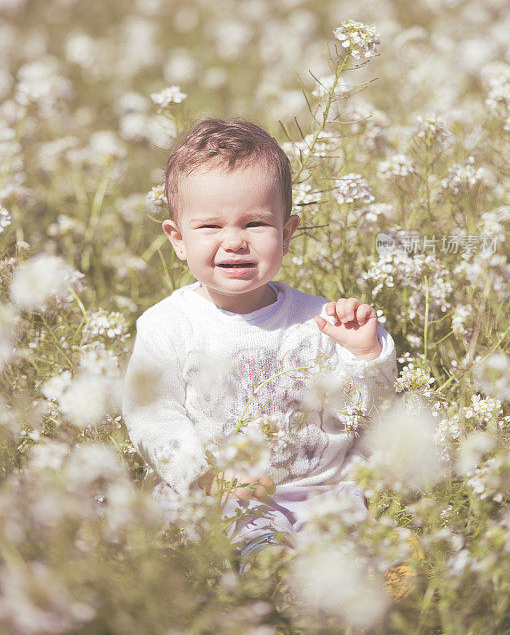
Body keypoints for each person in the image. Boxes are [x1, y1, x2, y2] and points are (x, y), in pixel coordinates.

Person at [121, 116, 399, 573]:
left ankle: (367, 572)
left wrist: (365, 355)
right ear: (177, 239)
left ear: (286, 235)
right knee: (243, 534)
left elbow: (365, 413)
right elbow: (152, 414)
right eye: (210, 226)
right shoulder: (166, 326)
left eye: (255, 223)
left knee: (347, 539)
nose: (235, 241)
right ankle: (272, 571)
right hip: (223, 495)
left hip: (320, 490)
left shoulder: (320, 320)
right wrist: (204, 476)